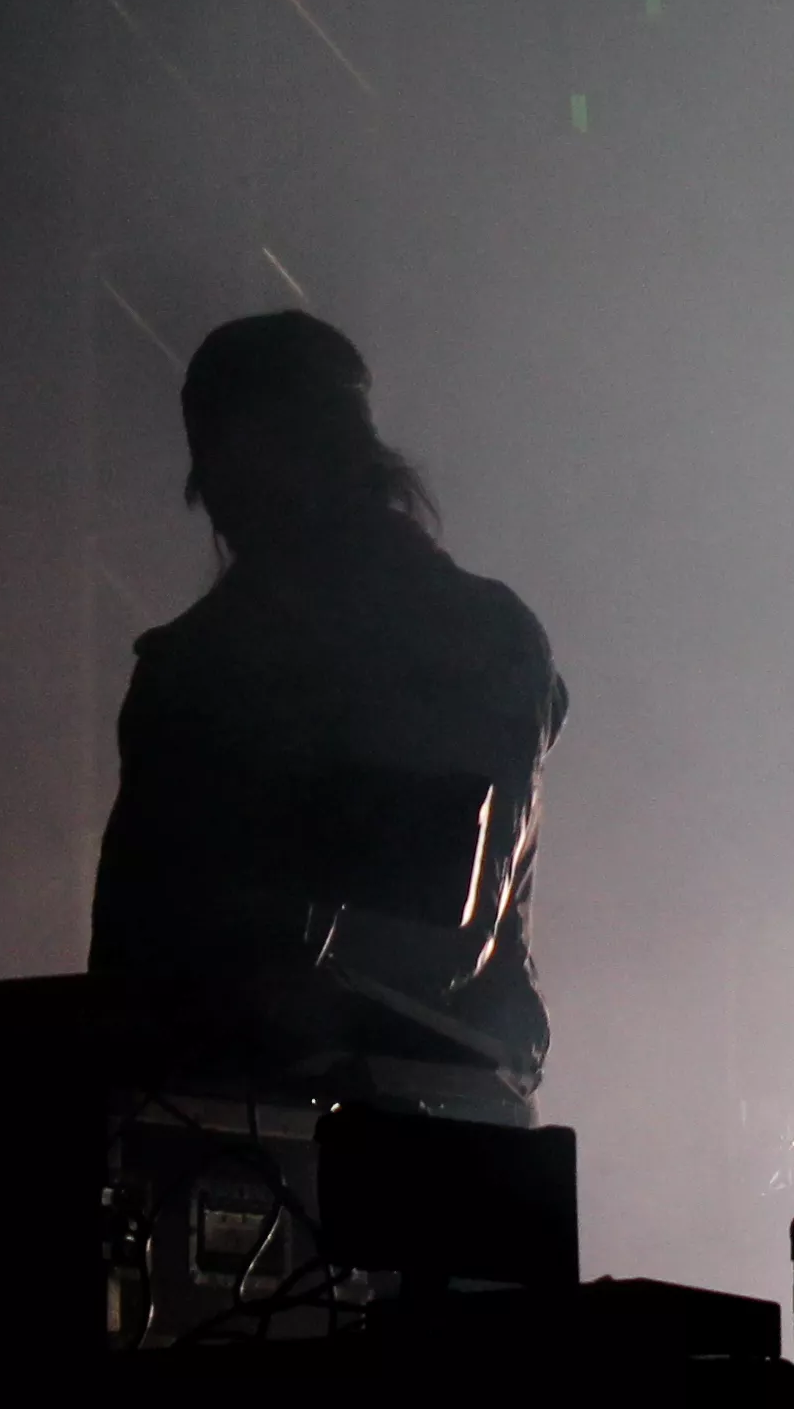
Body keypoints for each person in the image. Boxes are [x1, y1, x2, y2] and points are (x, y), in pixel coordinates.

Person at [87, 311, 561, 1099]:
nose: (233, 510)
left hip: (408, 1107)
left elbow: (445, 930)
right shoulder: (194, 663)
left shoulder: (466, 638)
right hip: (389, 1099)